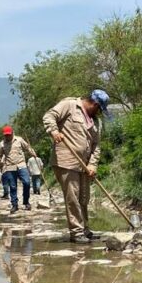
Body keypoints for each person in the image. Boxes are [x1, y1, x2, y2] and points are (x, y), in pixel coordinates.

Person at [42, 89, 109, 243]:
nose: (99, 113)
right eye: (99, 109)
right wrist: (54, 131)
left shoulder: (95, 121)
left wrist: (93, 165)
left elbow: (96, 145)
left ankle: (85, 229)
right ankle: (76, 232)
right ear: (95, 104)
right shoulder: (70, 105)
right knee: (73, 197)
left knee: (84, 198)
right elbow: (49, 116)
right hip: (66, 161)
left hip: (84, 165)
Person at [0, 125, 38, 213]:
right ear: (3, 135)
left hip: (21, 165)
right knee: (13, 186)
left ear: (12, 133)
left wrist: (32, 152)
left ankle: (26, 201)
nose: (7, 137)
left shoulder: (19, 140)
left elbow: (27, 147)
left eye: (9, 135)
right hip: (10, 166)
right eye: (5, 135)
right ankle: (14, 204)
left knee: (27, 182)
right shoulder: (2, 144)